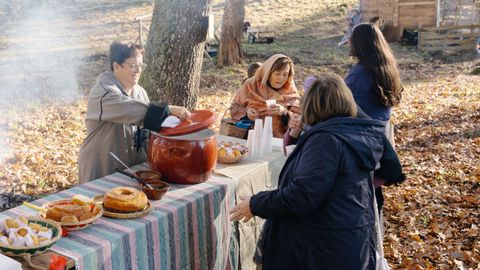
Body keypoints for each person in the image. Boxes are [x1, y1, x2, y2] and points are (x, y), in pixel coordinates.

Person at [230, 73, 405, 270]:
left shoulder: (326, 140)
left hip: (323, 246)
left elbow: (301, 196)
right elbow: (392, 169)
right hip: (348, 239)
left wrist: (255, 203)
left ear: (313, 105)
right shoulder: (358, 132)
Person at [78, 41, 190, 184]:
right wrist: (169, 110)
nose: (138, 70)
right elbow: (129, 110)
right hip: (102, 167)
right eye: (133, 65)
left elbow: (149, 128)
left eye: (140, 65)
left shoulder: (140, 92)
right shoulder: (103, 92)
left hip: (133, 168)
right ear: (116, 66)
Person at [345, 22, 403, 148]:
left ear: (359, 44)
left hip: (363, 133)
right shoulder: (387, 67)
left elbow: (343, 101)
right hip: (382, 127)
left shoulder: (360, 72)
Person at [230, 54, 300, 138]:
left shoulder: (290, 89)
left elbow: (299, 119)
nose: (281, 78)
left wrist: (284, 112)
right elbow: (234, 107)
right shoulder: (251, 85)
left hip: (278, 141)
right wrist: (247, 112)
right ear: (268, 73)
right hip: (250, 136)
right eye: (277, 74)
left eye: (285, 74)